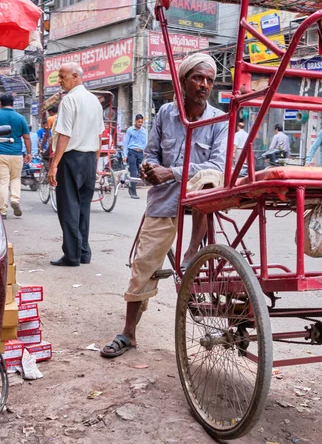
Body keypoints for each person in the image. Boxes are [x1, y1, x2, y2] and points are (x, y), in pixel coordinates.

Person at [100, 53, 227, 358]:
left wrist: (172, 172)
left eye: (209, 80)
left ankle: (192, 252)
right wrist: (148, 168)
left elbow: (217, 165)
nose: (204, 85)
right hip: (164, 199)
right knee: (144, 264)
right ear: (183, 81)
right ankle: (128, 333)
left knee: (209, 179)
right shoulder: (164, 115)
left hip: (199, 201)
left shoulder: (218, 121)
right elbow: (151, 153)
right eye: (198, 78)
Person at [48, 62, 105, 266]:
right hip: (89, 159)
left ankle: (72, 255)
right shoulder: (94, 101)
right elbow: (99, 136)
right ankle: (83, 252)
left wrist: (54, 164)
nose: (59, 81)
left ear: (75, 76)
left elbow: (64, 134)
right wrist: (95, 162)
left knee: (68, 207)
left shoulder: (70, 100)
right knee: (82, 207)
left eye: (62, 76)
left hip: (71, 158)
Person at [0, 94, 31, 219]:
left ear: (0, 103)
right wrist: (29, 153)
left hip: (1, 153)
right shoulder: (20, 117)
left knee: (2, 181)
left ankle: (2, 211)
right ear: (13, 104)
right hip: (16, 153)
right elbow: (27, 137)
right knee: (15, 178)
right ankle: (15, 199)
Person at [124, 114, 147, 199]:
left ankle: (131, 186)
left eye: (141, 122)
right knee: (133, 172)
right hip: (132, 152)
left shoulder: (143, 131)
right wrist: (125, 155)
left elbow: (145, 143)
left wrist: (145, 154)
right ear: (135, 121)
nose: (140, 123)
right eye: (139, 122)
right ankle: (134, 192)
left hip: (140, 153)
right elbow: (126, 143)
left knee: (139, 173)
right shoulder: (130, 130)